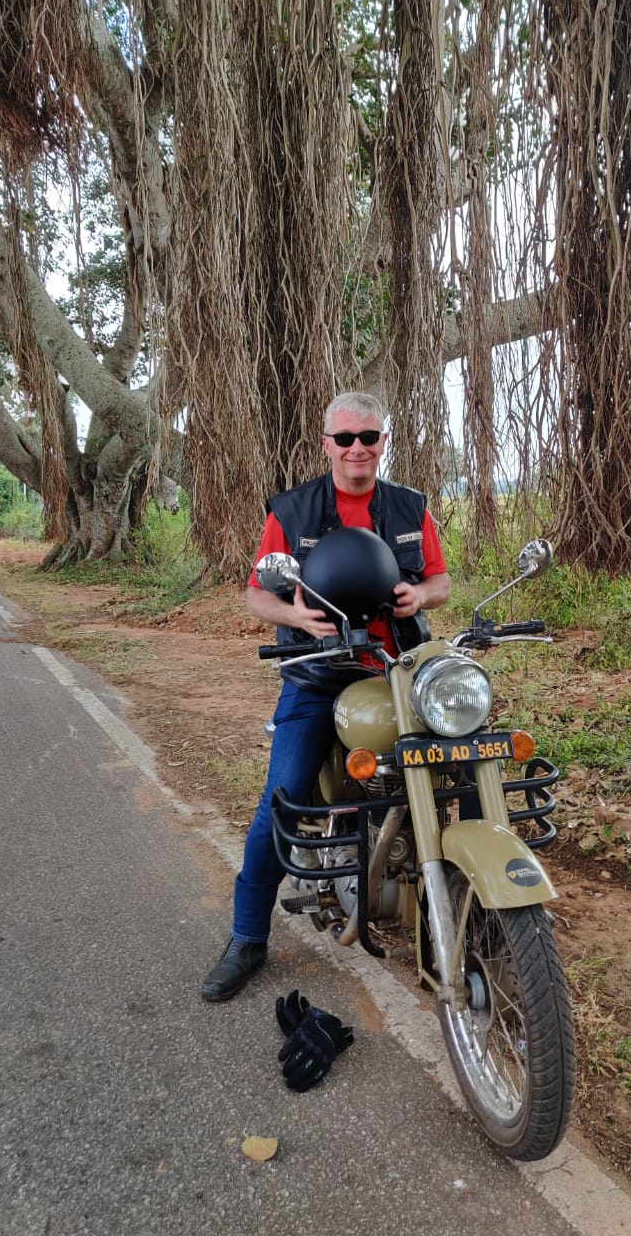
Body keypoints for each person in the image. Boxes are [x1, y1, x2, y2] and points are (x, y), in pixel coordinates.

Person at [201, 391, 450, 1002]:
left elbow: (439, 580)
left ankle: (456, 910)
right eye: (345, 438)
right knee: (279, 800)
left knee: (452, 772)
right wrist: (295, 615)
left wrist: (423, 598)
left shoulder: (409, 508)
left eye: (369, 436)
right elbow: (257, 595)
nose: (357, 448)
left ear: (383, 442)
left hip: (395, 669)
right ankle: (246, 938)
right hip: (316, 672)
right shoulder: (294, 510)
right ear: (327, 445)